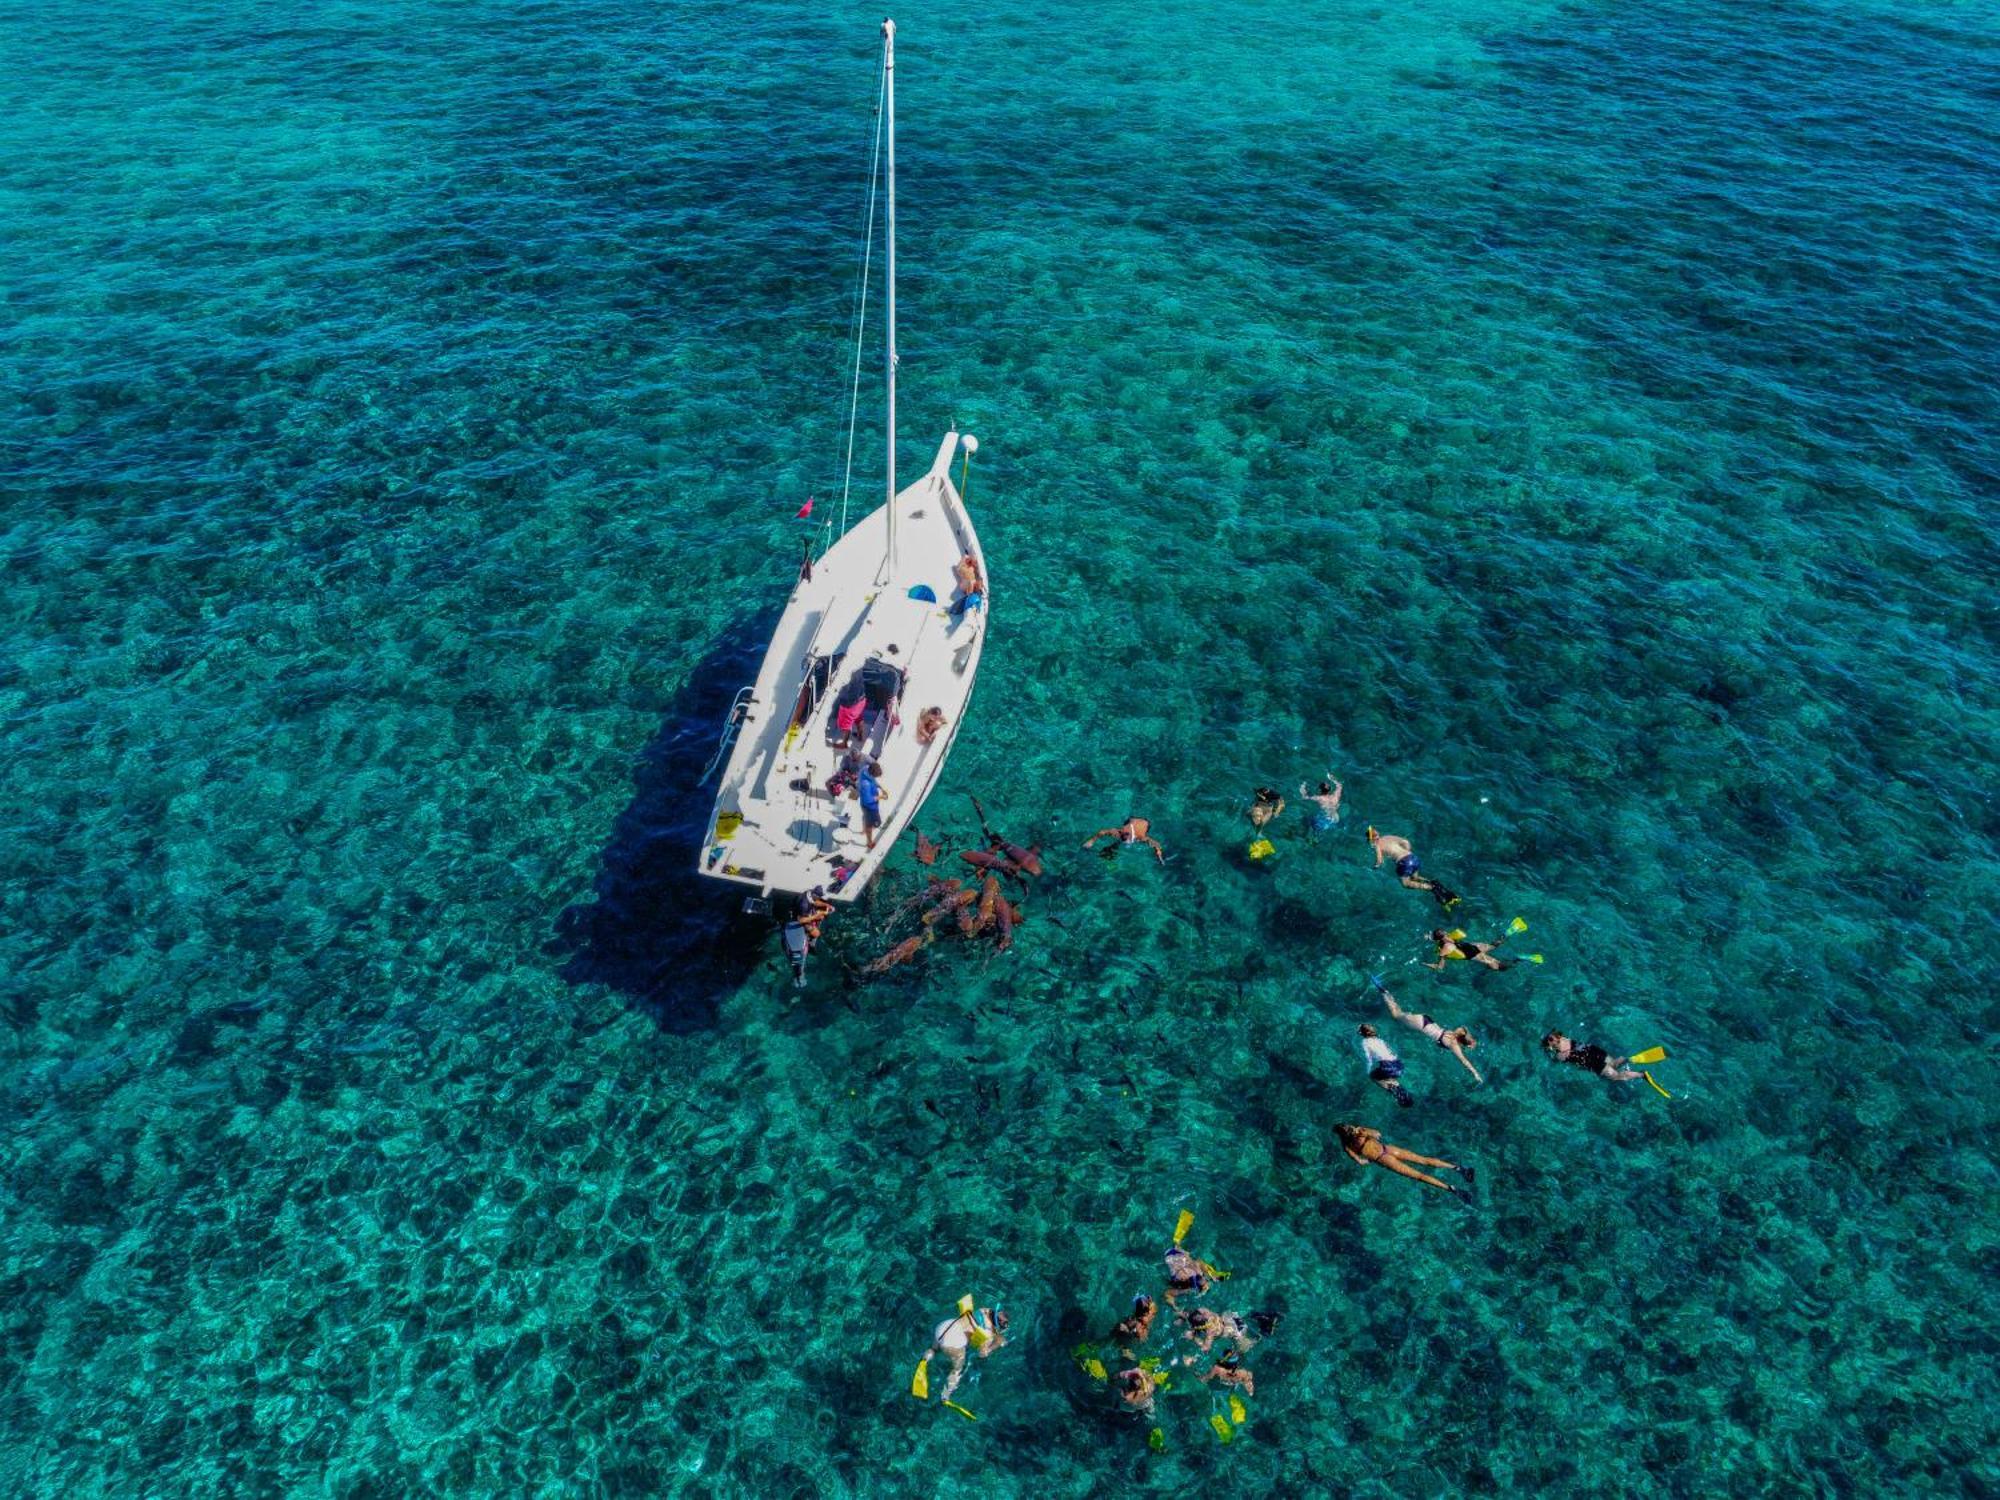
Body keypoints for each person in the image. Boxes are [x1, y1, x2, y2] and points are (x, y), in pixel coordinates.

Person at [1335, 1123, 1474, 1200]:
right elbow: (1378, 1134)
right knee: (1423, 1160)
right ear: (1349, 1128)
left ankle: (1452, 1189)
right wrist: (1362, 1130)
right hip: (1389, 1149)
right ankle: (1459, 1168)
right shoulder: (1361, 1132)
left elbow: (1360, 1162)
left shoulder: (1347, 1146)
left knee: (1419, 1176)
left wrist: (1369, 1159)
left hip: (1383, 1159)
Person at [1380, 988, 1482, 1084]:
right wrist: (1475, 1073)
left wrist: (1469, 1041)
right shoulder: (1453, 1044)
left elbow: (1463, 1029)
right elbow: (1464, 1060)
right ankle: (1384, 992)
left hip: (1427, 1020)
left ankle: (1388, 996)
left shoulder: (1459, 1033)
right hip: (1421, 1024)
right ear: (1463, 1042)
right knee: (1396, 1016)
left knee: (1401, 1014)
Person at [928, 1304, 1008, 1402]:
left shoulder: (984, 1310)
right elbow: (982, 1354)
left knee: (934, 1349)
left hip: (944, 1326)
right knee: (957, 1369)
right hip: (951, 1342)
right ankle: (946, 1395)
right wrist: (993, 1347)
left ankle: (927, 1357)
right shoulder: (988, 1334)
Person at [1367, 826, 1459, 909]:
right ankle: (1438, 886)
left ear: (1372, 839)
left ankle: (1432, 888)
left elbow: (1379, 860)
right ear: (1378, 833)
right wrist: (1407, 853)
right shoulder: (1388, 837)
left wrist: (1375, 867)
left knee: (1405, 883)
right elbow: (1405, 842)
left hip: (1404, 863)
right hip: (1413, 857)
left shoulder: (1377, 845)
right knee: (1415, 878)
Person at [1542, 1031, 1644, 1082]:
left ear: (1551, 1044)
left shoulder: (1560, 1055)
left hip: (1592, 1062)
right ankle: (1627, 1060)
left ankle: (1641, 1075)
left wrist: (1550, 1053)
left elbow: (1556, 1061)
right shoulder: (1565, 1038)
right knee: (1613, 1064)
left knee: (1616, 1077)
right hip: (1596, 1051)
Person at [1357, 1023, 1415, 1107]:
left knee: (1373, 1076)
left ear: (1363, 1033)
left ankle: (1394, 1092)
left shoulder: (1365, 1042)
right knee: (1387, 1075)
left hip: (1388, 1066)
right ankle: (1403, 1094)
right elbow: (1390, 1051)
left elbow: (1368, 1058)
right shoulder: (1379, 1040)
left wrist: (1368, 1070)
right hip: (1399, 1065)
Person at [1083, 815, 1165, 863]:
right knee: (1117, 843)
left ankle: (1110, 853)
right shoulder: (1117, 833)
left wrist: (1159, 854)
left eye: (1123, 837)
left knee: (1118, 843)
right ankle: (1109, 853)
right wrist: (1091, 841)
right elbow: (1102, 832)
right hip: (1132, 822)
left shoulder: (1140, 837)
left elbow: (1156, 844)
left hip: (1143, 824)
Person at [1181, 1306, 1256, 1356]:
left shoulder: (1210, 1331)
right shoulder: (1204, 1311)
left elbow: (1206, 1348)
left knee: (1243, 1348)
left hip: (1230, 1330)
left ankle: (1247, 1343)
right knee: (1242, 1341)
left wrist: (1193, 1337)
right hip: (1229, 1317)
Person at [1426, 928, 1512, 971]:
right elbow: (1438, 936)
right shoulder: (1448, 936)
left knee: (1495, 965)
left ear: (1437, 939)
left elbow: (1440, 967)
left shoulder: (1446, 947)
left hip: (1471, 954)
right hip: (1472, 946)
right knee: (1492, 946)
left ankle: (1516, 961)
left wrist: (1425, 964)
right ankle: (1506, 935)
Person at [856, 761, 885, 850]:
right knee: (874, 824)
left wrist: (880, 787)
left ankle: (863, 830)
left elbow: (873, 780)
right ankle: (869, 842)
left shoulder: (866, 768)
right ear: (871, 774)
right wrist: (881, 797)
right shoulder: (866, 784)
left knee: (865, 817)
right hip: (869, 807)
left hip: (866, 804)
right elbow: (868, 800)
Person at [951, 553, 985, 620]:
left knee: (974, 581)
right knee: (972, 582)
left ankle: (973, 594)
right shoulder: (963, 567)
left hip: (969, 583)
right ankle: (970, 595)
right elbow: (959, 567)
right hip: (966, 583)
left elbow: (977, 577)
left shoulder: (972, 569)